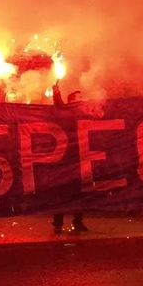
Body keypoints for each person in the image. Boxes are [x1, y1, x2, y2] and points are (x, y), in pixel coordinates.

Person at [50, 82, 88, 233]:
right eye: (79, 97)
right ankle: (58, 223)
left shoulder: (82, 114)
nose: (82, 99)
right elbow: (60, 107)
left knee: (78, 194)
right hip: (64, 161)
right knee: (61, 194)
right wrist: (56, 93)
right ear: (71, 101)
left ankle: (78, 222)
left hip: (78, 160)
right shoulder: (66, 113)